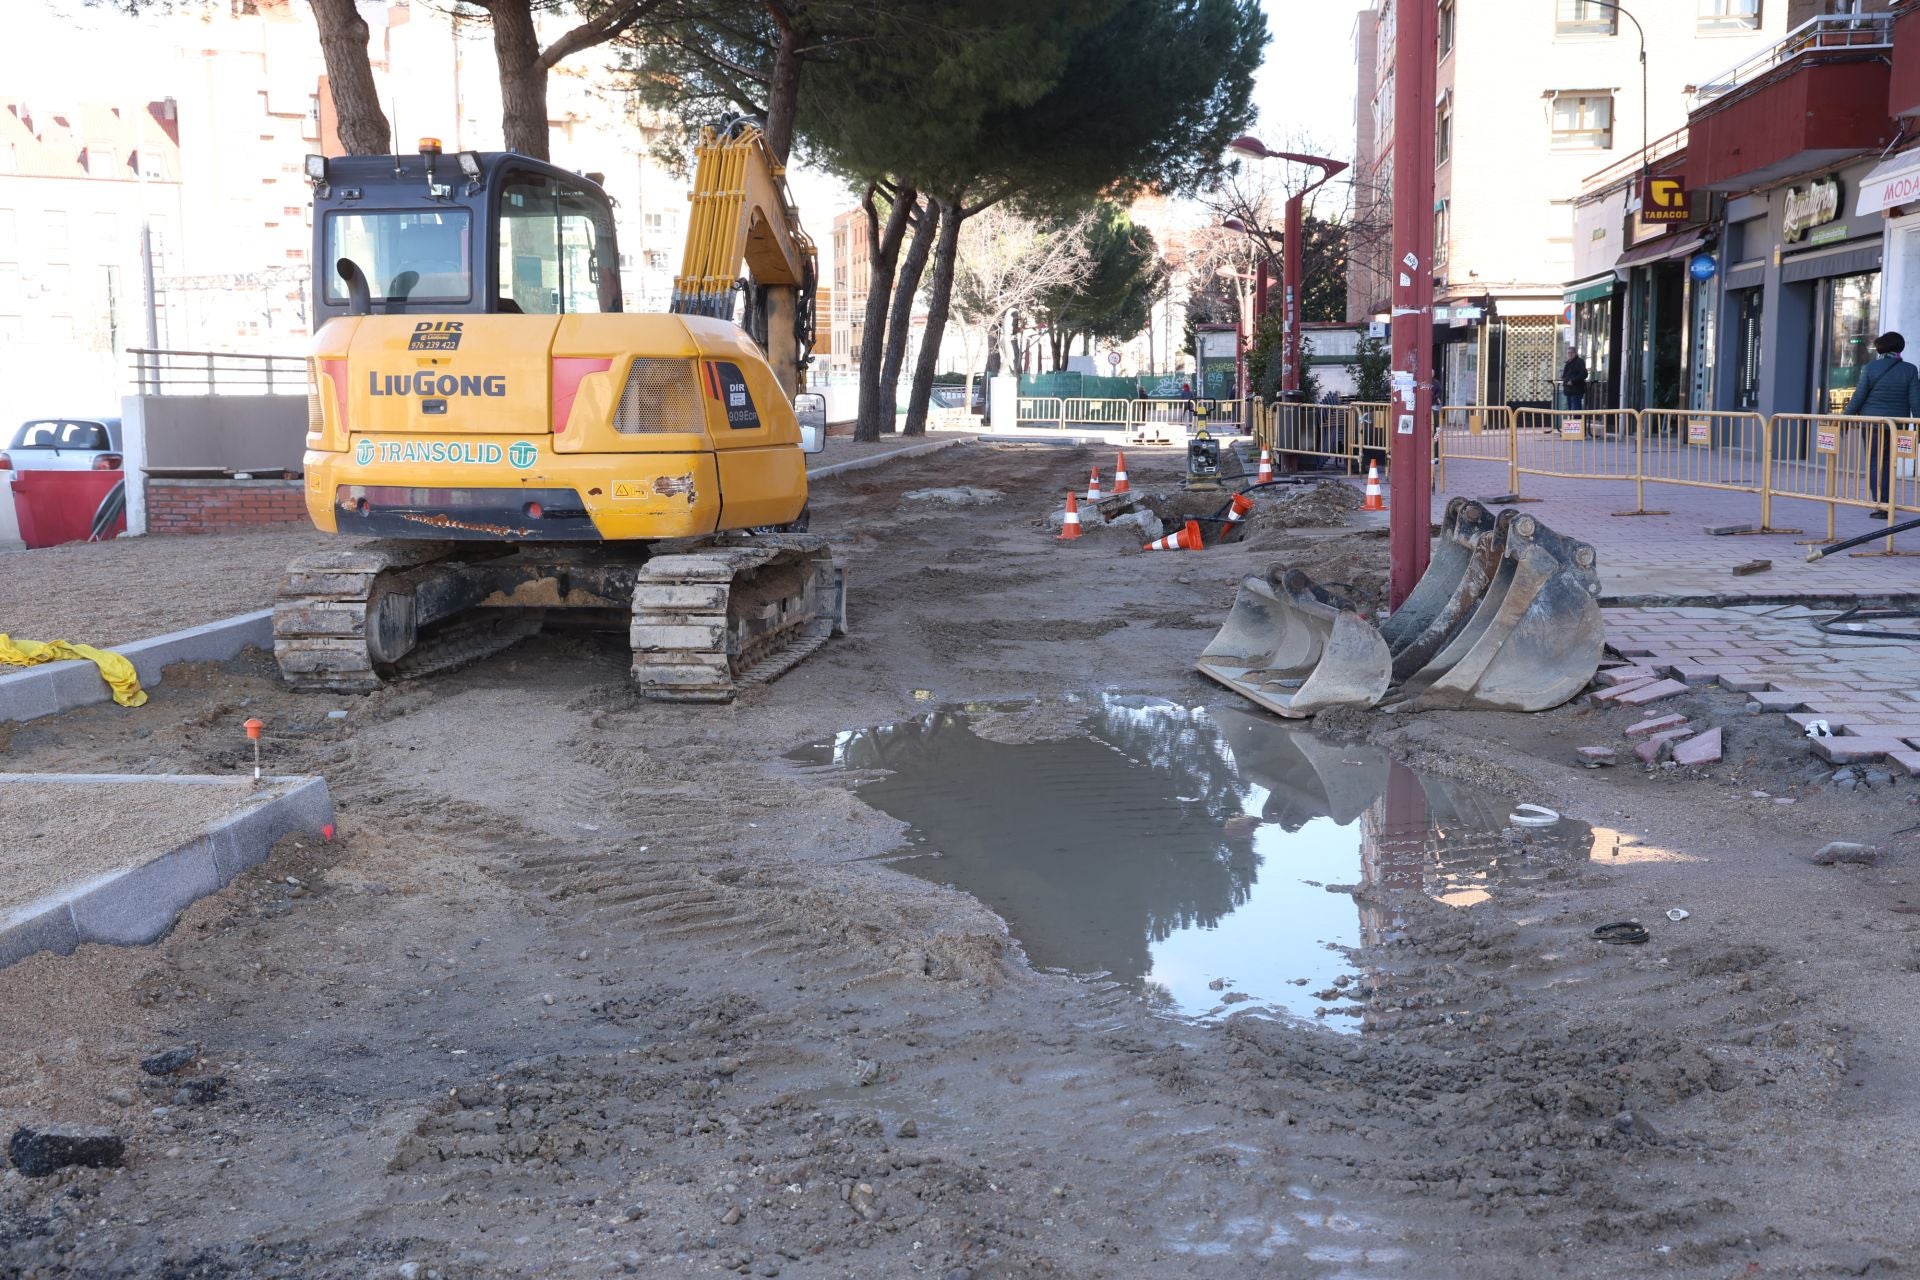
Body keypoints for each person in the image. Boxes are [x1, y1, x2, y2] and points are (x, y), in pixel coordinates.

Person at [1846, 331, 1920, 515]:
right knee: (1888, 462)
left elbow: (1858, 398)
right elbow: (1916, 401)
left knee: (1873, 462)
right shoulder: (1910, 370)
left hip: (1872, 423)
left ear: (1880, 348)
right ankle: (1887, 502)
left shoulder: (1871, 368)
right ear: (1900, 347)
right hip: (1896, 425)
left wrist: (1843, 419)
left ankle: (1879, 504)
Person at [1561, 348, 1589, 412]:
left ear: (1575, 353)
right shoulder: (1568, 363)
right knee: (1570, 411)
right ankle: (1571, 421)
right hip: (1568, 391)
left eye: (1571, 352)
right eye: (1568, 353)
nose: (1569, 354)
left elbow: (1584, 374)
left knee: (1575, 412)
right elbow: (1565, 375)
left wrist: (1573, 381)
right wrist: (1563, 378)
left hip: (1576, 391)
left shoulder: (1579, 361)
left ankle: (1577, 421)